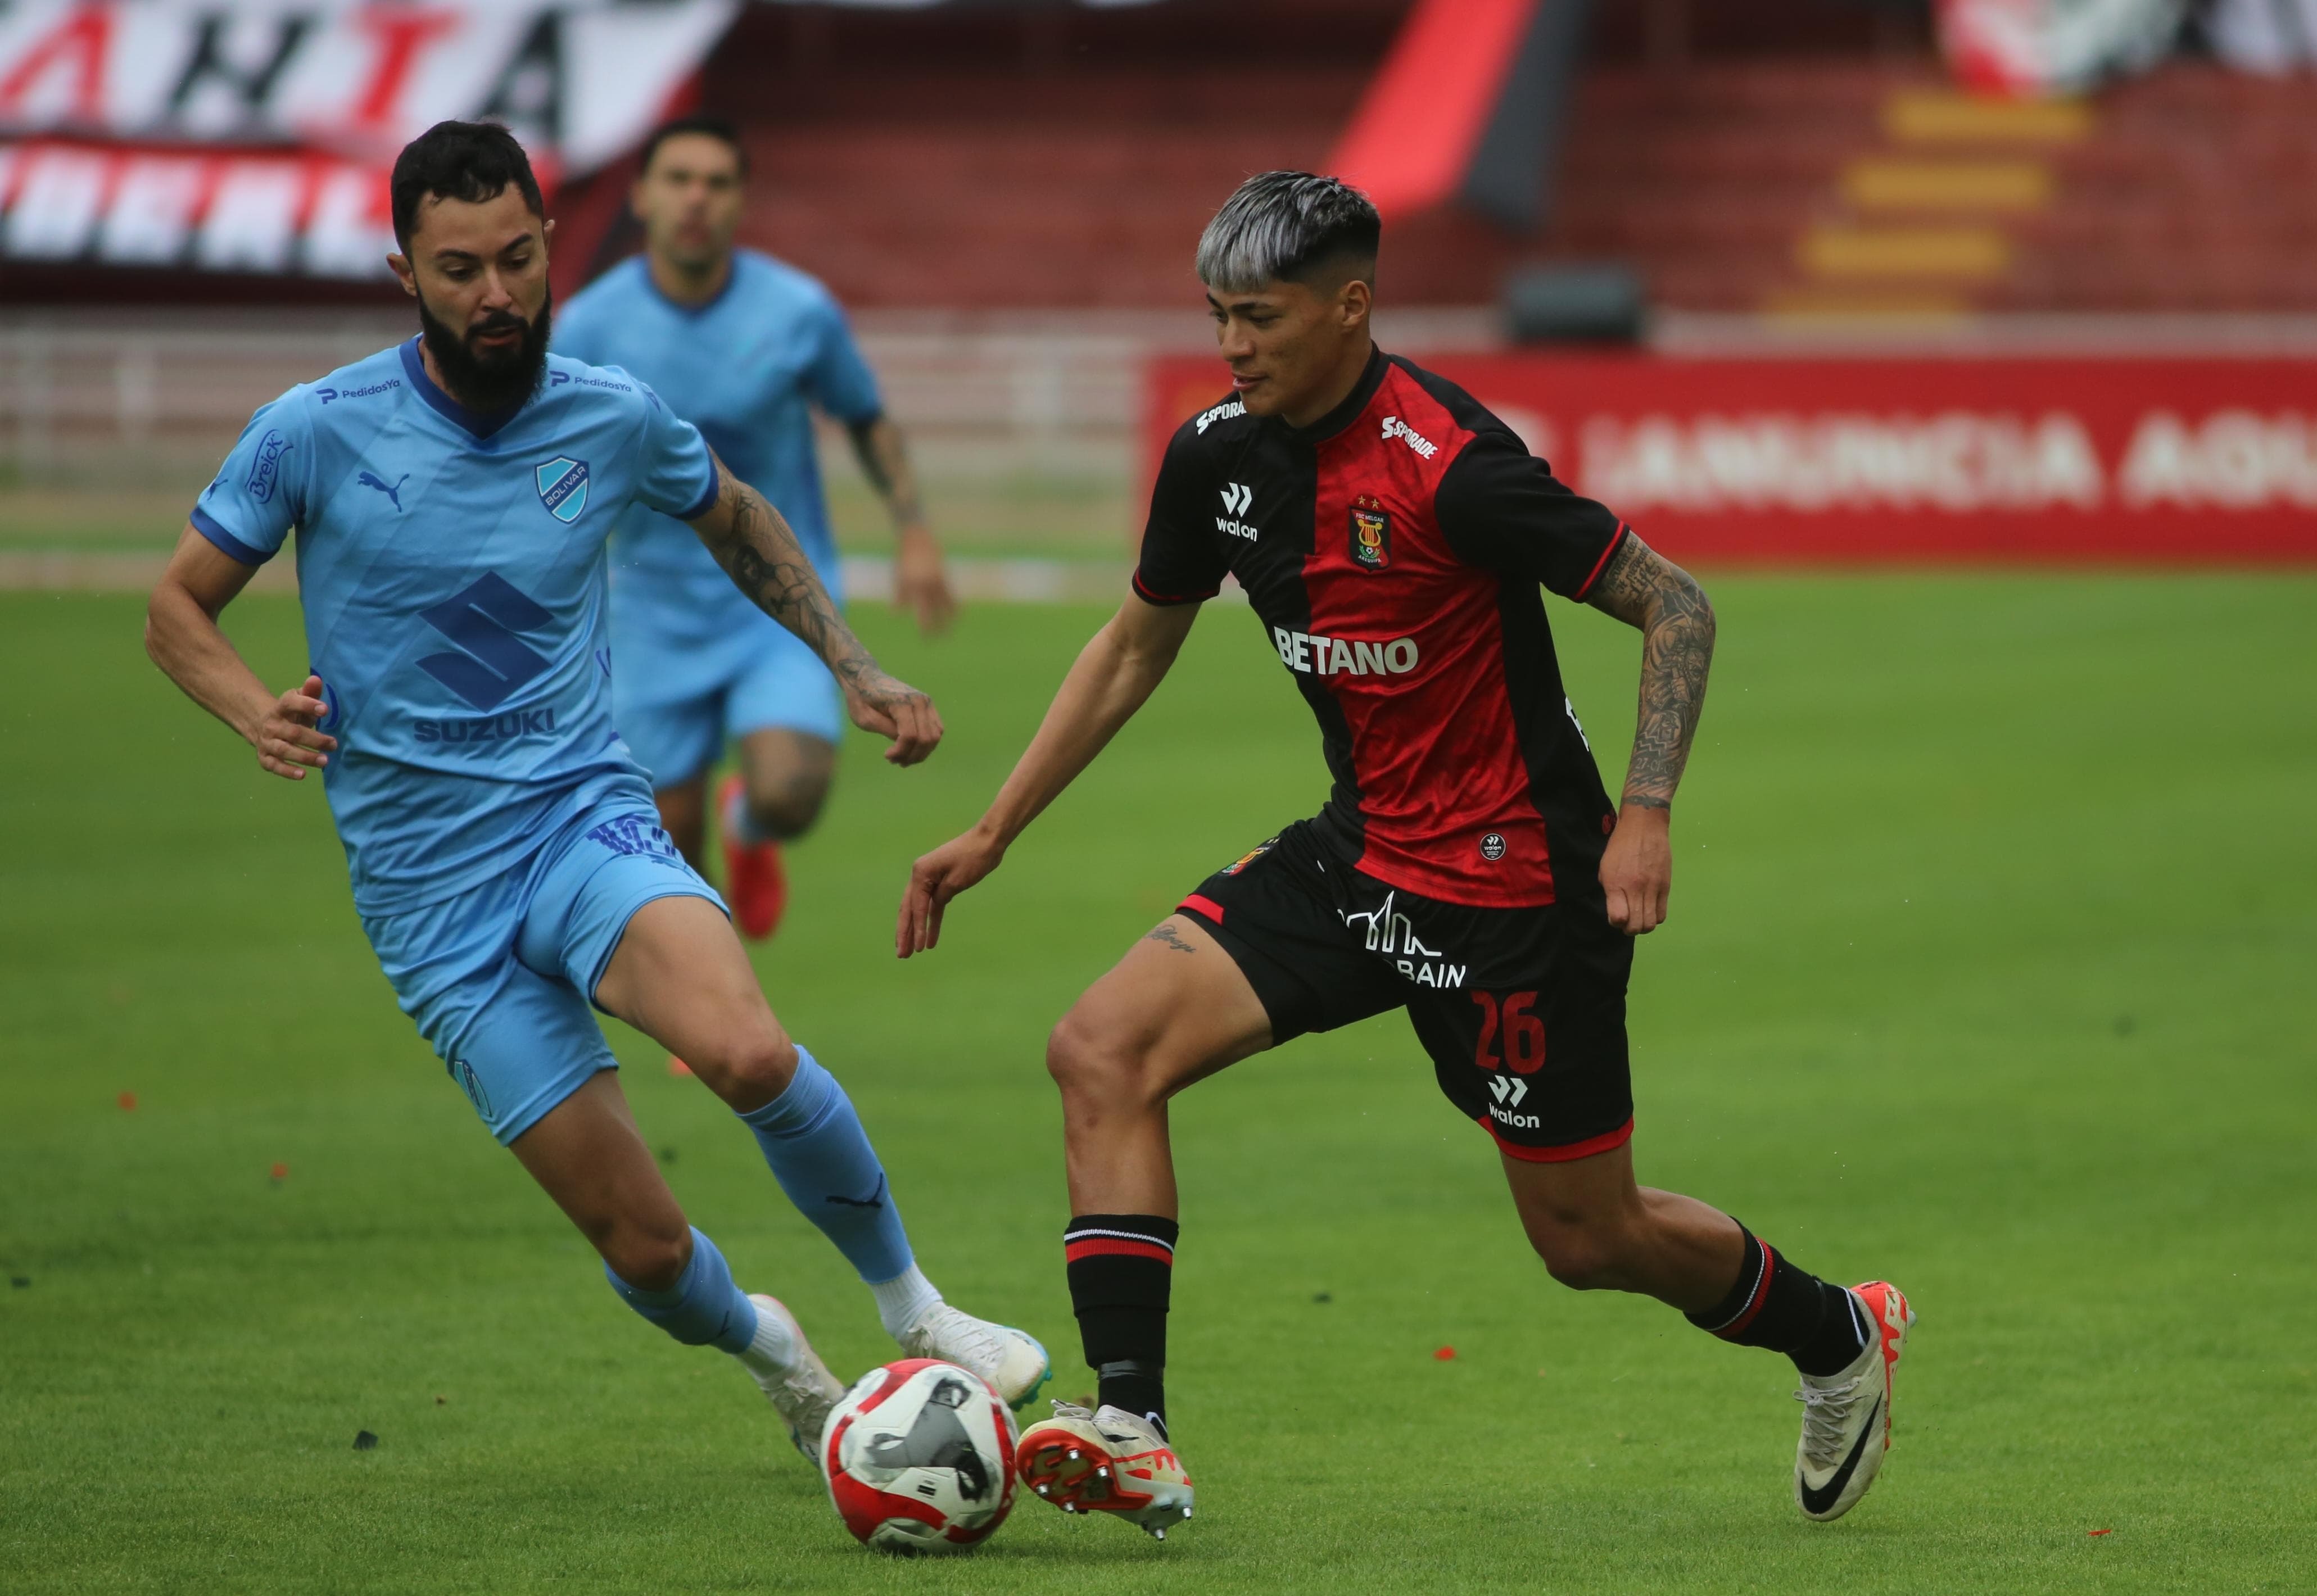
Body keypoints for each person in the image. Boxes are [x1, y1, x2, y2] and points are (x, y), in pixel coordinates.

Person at [897, 172, 1910, 1539]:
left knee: (1586, 1240)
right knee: (1100, 1049)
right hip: (1357, 859)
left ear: (1351, 306)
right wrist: (993, 828)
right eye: (1216, 317)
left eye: (1258, 317)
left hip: (1519, 896)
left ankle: (1836, 1330)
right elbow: (1137, 641)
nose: (1232, 345)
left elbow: (1676, 606)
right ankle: (1129, 1422)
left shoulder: (1457, 468)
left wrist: (1647, 808)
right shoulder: (1216, 457)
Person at [144, 121, 1045, 1467]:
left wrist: (850, 665)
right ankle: (771, 1349)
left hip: (580, 816)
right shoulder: (315, 431)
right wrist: (249, 706)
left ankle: (918, 1310)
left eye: (516, 258)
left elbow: (734, 510)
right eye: (460, 270)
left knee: (745, 1049)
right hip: (428, 898)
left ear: (551, 245)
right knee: (645, 1241)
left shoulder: (608, 413)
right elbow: (177, 607)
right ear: (405, 271)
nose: (495, 294)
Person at [555, 115, 953, 941]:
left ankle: (753, 831)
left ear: (740, 200)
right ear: (642, 196)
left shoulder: (798, 311)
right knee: (667, 831)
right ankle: (706, 1003)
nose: (696, 199)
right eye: (678, 179)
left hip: (775, 599)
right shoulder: (589, 328)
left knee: (789, 790)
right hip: (648, 608)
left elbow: (865, 416)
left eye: (716, 182)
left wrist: (913, 529)